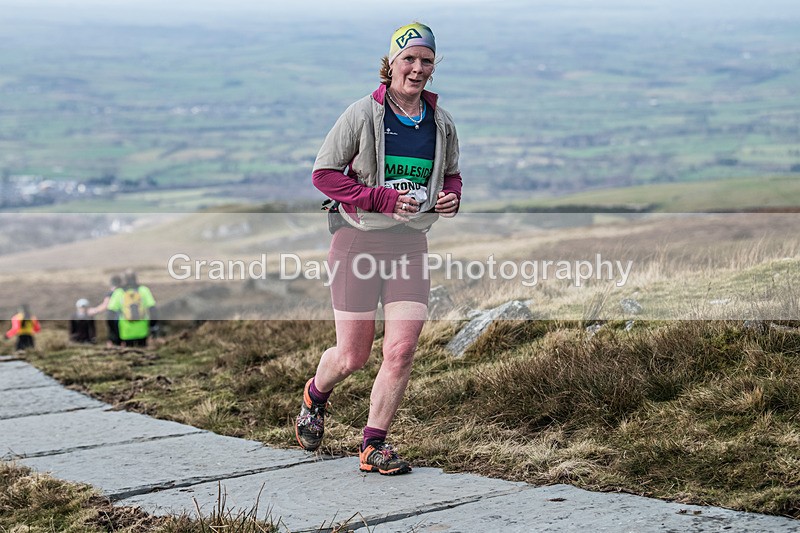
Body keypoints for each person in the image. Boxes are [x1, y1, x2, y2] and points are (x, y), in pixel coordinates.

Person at [295, 22, 462, 476]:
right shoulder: (362, 113)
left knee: (402, 350)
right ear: (392, 64)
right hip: (358, 243)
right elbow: (324, 175)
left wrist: (451, 196)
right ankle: (314, 395)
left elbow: (451, 174)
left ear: (433, 67)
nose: (418, 68)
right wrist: (383, 198)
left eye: (426, 60)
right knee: (352, 356)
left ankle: (373, 446)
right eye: (409, 59)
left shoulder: (441, 123)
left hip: (410, 246)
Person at [106, 270, 156, 347]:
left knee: (129, 354)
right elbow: (153, 310)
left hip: (125, 331)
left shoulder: (119, 292)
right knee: (143, 352)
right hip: (142, 330)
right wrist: (152, 326)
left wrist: (115, 334)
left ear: (124, 280)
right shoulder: (144, 290)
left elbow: (110, 314)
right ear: (136, 279)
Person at [89, 275, 122, 346]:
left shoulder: (111, 293)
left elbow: (105, 305)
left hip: (113, 319)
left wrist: (94, 310)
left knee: (112, 339)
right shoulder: (124, 292)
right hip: (124, 319)